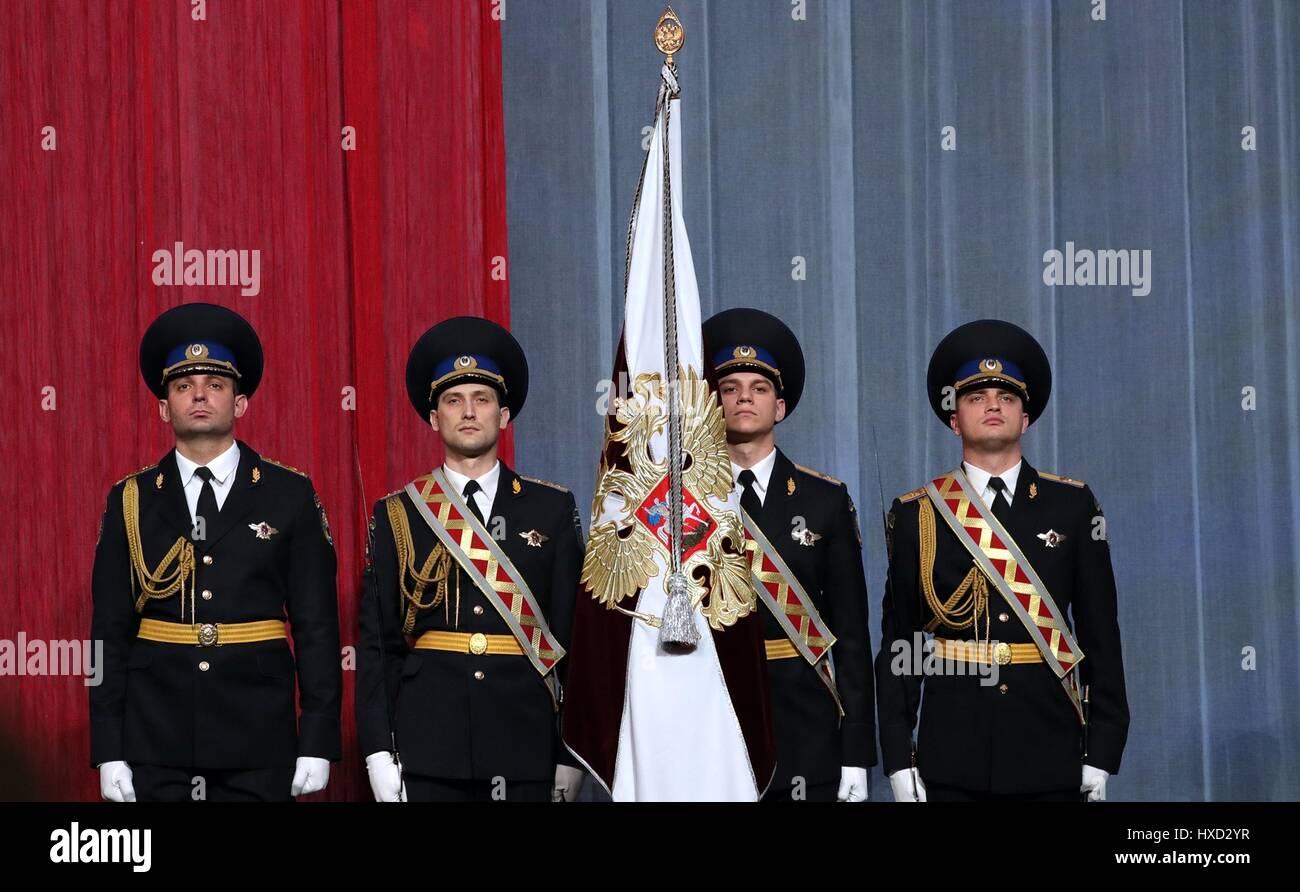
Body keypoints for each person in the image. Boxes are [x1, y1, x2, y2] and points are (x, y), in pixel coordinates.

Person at [91, 302, 342, 802]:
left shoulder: (289, 494)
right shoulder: (131, 498)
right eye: (183, 386)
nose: (199, 396)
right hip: (156, 735)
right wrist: (108, 747)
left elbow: (317, 628)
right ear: (164, 407)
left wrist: (317, 739)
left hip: (259, 736)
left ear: (240, 402)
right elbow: (108, 635)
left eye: (216, 385)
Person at [875, 319, 1129, 802]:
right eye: (976, 397)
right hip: (951, 751)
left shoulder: (1072, 507)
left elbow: (1101, 634)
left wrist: (1102, 749)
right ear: (954, 418)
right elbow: (900, 644)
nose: (993, 406)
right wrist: (896, 757)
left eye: (1007, 398)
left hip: (1049, 745)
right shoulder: (917, 514)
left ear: (1025, 418)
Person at [357, 317, 584, 802]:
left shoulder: (551, 508)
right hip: (428, 743)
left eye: (482, 399)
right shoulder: (398, 512)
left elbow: (574, 640)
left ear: (503, 416)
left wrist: (571, 752)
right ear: (434, 417)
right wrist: (379, 750)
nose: (468, 412)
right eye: (453, 400)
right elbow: (378, 647)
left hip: (526, 741)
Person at [703, 308, 877, 802]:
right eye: (730, 388)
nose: (743, 398)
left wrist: (856, 753)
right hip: (712, 721)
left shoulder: (825, 501)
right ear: (713, 405)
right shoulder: (683, 502)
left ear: (779, 407)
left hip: (807, 731)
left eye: (758, 389)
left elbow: (851, 636)